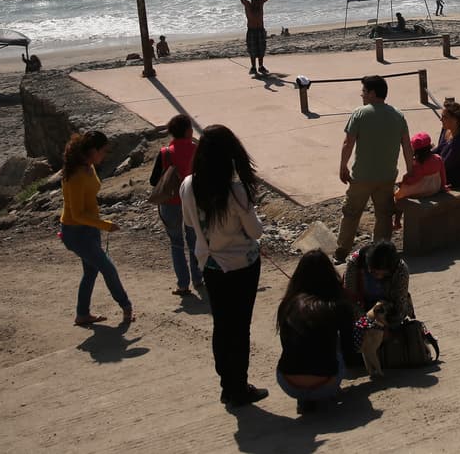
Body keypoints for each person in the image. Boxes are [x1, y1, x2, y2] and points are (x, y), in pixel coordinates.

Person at [181, 124, 268, 407]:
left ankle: (227, 384)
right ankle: (239, 385)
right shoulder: (236, 191)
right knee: (240, 327)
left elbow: (188, 223)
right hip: (241, 264)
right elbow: (255, 232)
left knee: (222, 325)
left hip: (211, 264)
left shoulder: (188, 185)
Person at [59, 131, 133, 329]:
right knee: (107, 267)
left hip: (90, 229)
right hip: (76, 232)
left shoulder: (88, 166)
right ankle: (126, 306)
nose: (104, 156)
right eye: (103, 151)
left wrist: (98, 224)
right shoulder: (74, 176)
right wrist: (105, 225)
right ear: (92, 151)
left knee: (91, 272)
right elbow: (76, 215)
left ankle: (82, 314)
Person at [335, 75, 412, 263]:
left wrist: (343, 165)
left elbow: (348, 142)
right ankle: (380, 253)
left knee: (351, 213)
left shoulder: (360, 114)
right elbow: (407, 147)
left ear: (372, 93)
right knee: (384, 216)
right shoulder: (398, 116)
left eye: (363, 91)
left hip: (362, 177)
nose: (361, 95)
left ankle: (341, 252)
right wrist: (410, 172)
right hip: (387, 178)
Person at [276, 250, 354, 414]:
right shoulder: (337, 305)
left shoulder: (288, 304)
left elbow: (285, 343)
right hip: (325, 383)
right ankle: (326, 390)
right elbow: (349, 345)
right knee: (335, 341)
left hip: (288, 382)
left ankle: (304, 398)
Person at [150, 114, 202, 296]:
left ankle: (182, 284)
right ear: (188, 131)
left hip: (170, 203)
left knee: (176, 243)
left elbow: (153, 181)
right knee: (194, 240)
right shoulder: (196, 149)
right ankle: (198, 278)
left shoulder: (165, 153)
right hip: (192, 202)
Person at [341, 240, 415, 327]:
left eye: (384, 274)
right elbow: (349, 297)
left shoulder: (401, 269)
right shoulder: (355, 262)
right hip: (360, 306)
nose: (378, 277)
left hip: (387, 308)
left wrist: (390, 323)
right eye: (374, 273)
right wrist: (365, 320)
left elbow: (400, 304)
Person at [392, 132, 447, 230]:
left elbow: (414, 180)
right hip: (434, 188)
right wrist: (443, 186)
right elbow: (443, 175)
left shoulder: (418, 164)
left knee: (398, 197)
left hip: (421, 191)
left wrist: (404, 180)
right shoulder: (438, 158)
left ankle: (397, 221)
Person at [435, 100, 460, 190]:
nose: (440, 119)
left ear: (454, 120)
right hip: (445, 168)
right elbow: (439, 148)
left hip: (456, 177)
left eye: (444, 117)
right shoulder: (446, 129)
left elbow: (445, 164)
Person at [239, 0, 272, 76]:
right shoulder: (248, 5)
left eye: (257, 2)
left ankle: (261, 66)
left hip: (260, 30)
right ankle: (253, 67)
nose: (256, 4)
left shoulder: (261, 4)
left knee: (261, 49)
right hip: (251, 31)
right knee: (252, 49)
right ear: (251, 1)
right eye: (254, 2)